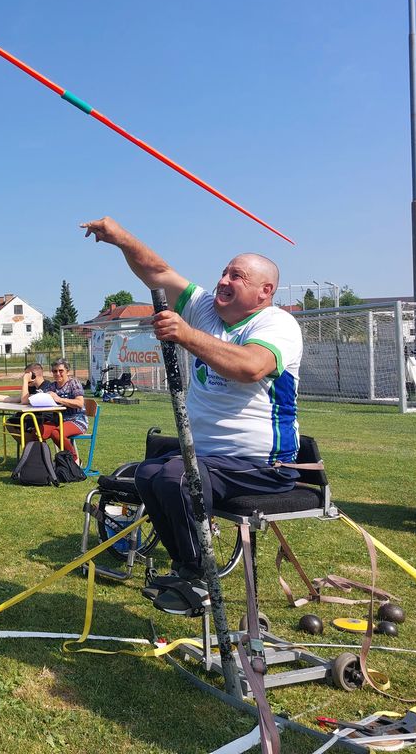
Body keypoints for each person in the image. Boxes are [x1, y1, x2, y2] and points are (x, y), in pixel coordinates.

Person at [83, 216, 303, 617]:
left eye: (236, 276)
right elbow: (158, 272)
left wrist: (185, 334)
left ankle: (200, 578)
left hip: (262, 465)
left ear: (264, 291)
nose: (223, 280)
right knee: (149, 473)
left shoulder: (277, 324)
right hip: (209, 460)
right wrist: (120, 238)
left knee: (176, 477)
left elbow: (251, 366)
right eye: (223, 271)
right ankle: (190, 568)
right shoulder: (206, 310)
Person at [0, 363, 52, 442]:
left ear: (33, 375)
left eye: (26, 374)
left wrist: (25, 381)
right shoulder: (32, 387)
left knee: (19, 422)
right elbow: (14, 399)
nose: (25, 377)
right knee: (11, 422)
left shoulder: (47, 386)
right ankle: (32, 446)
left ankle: (34, 446)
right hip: (32, 417)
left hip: (45, 418)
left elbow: (24, 401)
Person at [37, 359, 88, 462]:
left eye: (61, 371)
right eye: (54, 371)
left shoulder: (74, 383)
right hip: (58, 420)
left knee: (56, 433)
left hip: (77, 420)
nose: (57, 374)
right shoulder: (52, 386)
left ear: (67, 371)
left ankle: (74, 460)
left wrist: (59, 399)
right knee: (37, 433)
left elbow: (79, 403)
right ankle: (44, 462)